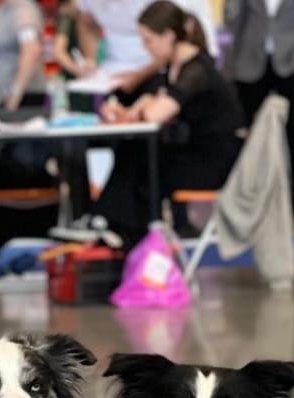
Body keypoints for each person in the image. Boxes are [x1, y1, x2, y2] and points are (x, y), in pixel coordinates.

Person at [89, 1, 243, 244]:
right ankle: (119, 227)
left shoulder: (197, 70)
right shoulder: (174, 67)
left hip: (214, 162)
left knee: (142, 162)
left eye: (149, 41)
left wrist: (137, 111)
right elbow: (155, 102)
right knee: (136, 154)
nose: (145, 48)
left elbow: (157, 113)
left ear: (169, 36)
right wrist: (132, 109)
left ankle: (123, 229)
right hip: (194, 154)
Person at [225, 0, 294, 233]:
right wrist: (230, 65)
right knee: (246, 140)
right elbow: (233, 20)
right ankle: (245, 209)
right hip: (250, 64)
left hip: (292, 63)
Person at [75, 0, 216, 92]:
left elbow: (178, 44)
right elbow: (85, 20)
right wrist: (90, 58)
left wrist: (139, 76)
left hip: (168, 69)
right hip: (113, 75)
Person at [0, 0, 44, 111]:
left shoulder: (23, 10)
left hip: (18, 100)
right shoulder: (2, 8)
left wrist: (16, 93)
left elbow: (31, 51)